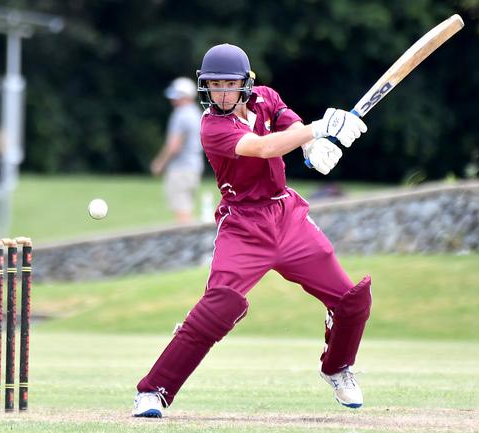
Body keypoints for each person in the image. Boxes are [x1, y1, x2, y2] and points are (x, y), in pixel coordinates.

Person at [133, 43, 371, 418]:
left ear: (246, 84)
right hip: (243, 224)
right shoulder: (212, 126)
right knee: (218, 307)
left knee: (352, 300)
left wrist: (313, 147)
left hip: (287, 215)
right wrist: (320, 127)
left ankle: (337, 367)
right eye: (214, 85)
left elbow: (289, 126)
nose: (222, 93)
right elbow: (263, 148)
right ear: (204, 87)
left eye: (229, 84)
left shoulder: (266, 99)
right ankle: (153, 391)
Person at [150, 77, 204, 223]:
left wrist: (159, 163)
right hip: (194, 167)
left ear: (185, 96)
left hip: (180, 169)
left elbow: (174, 146)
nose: (173, 100)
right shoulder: (196, 113)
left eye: (177, 96)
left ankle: (190, 245)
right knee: (187, 209)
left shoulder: (180, 115)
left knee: (182, 214)